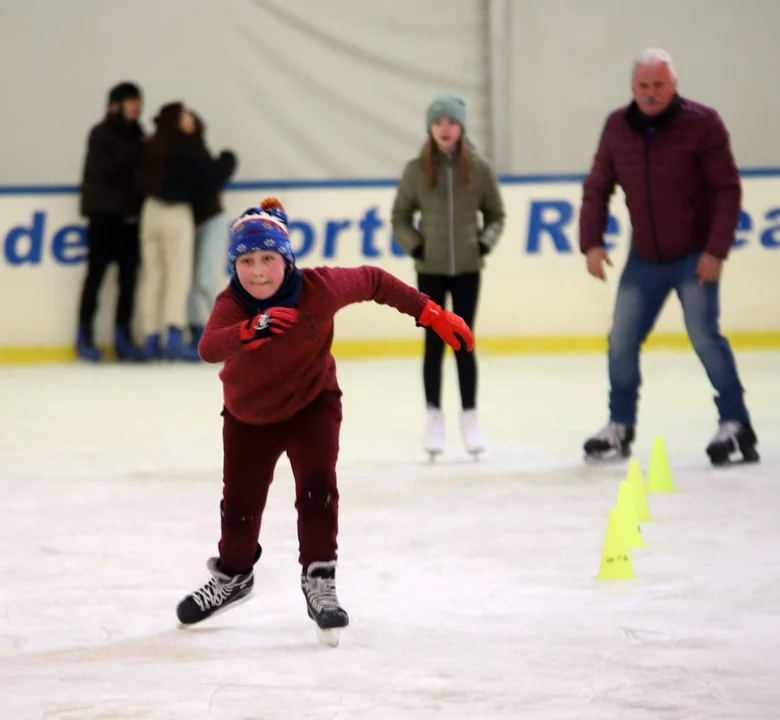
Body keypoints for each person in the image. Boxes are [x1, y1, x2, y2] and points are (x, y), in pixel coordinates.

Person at [175, 198, 474, 643]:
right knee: (239, 510)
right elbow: (208, 347)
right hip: (248, 417)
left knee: (317, 489)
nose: (257, 272)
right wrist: (251, 329)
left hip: (312, 404)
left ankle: (320, 578)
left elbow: (374, 280)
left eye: (268, 259)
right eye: (247, 261)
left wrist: (428, 311)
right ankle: (234, 577)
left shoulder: (320, 288)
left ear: (287, 258)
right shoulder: (232, 303)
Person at [579, 48, 758, 466]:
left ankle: (737, 425)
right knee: (620, 340)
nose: (651, 93)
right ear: (633, 88)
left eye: (659, 84)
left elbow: (727, 190)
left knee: (704, 337)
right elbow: (598, 186)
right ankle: (619, 427)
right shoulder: (617, 128)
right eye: (644, 86)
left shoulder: (702, 124)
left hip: (694, 255)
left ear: (673, 85)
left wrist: (716, 250)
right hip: (644, 258)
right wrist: (592, 241)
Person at [391, 93, 505, 459]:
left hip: (468, 269)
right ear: (430, 127)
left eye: (451, 122)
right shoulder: (416, 170)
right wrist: (416, 247)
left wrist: (483, 244)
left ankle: (470, 417)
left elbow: (496, 214)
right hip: (431, 269)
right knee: (433, 344)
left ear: (461, 127)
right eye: (438, 122)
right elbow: (399, 216)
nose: (445, 128)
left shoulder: (481, 170)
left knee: (463, 341)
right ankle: (434, 417)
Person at [134, 102, 226, 361]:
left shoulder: (150, 145)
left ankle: (150, 337)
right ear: (176, 121)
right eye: (185, 116)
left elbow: (138, 180)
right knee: (177, 277)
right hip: (176, 213)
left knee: (152, 276)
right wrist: (227, 160)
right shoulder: (185, 146)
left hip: (150, 211)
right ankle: (173, 336)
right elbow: (208, 180)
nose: (190, 119)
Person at [76, 81, 145, 362]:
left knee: (128, 279)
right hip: (104, 216)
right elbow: (107, 169)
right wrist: (138, 148)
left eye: (138, 102)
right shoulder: (101, 133)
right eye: (131, 101)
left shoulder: (137, 133)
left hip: (129, 217)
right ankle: (84, 336)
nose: (136, 107)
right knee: (96, 276)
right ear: (115, 104)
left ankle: (122, 337)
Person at [187, 112, 238, 352]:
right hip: (189, 223)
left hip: (212, 220)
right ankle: (198, 327)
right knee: (191, 282)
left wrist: (227, 159)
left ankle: (233, 329)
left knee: (207, 279)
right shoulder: (172, 152)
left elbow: (212, 178)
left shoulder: (199, 151)